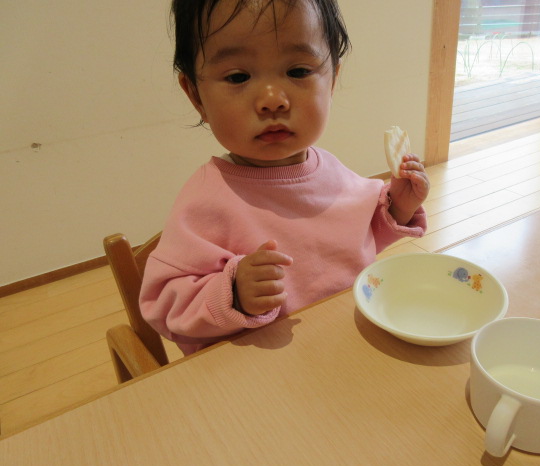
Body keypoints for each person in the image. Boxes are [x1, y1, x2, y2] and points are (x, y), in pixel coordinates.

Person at [139, 0, 430, 355]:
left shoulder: (332, 171)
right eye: (238, 77)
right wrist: (233, 293)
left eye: (298, 71)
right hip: (259, 367)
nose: (272, 100)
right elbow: (163, 304)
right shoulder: (205, 201)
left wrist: (398, 207)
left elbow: (358, 240)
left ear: (332, 80)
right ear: (196, 96)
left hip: (347, 342)